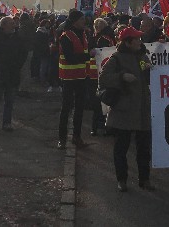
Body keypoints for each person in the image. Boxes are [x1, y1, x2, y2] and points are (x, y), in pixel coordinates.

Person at [98, 26, 154, 192]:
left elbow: (147, 75)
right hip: (124, 109)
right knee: (121, 148)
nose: (139, 41)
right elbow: (104, 78)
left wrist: (150, 70)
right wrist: (122, 76)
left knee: (144, 149)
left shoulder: (142, 56)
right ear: (128, 42)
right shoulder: (116, 58)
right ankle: (121, 179)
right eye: (136, 39)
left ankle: (145, 179)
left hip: (142, 109)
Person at [0, 16, 27, 133]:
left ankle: (6, 123)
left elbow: (23, 53)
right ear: (3, 25)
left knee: (10, 101)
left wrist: (17, 65)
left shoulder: (18, 38)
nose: (14, 25)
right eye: (11, 23)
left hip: (12, 74)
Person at [57, 10, 91, 150]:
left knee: (79, 109)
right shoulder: (66, 36)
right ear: (75, 21)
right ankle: (62, 139)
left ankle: (77, 137)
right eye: (82, 19)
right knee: (66, 108)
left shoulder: (83, 34)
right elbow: (70, 58)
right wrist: (88, 56)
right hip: (68, 77)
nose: (84, 21)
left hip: (81, 76)